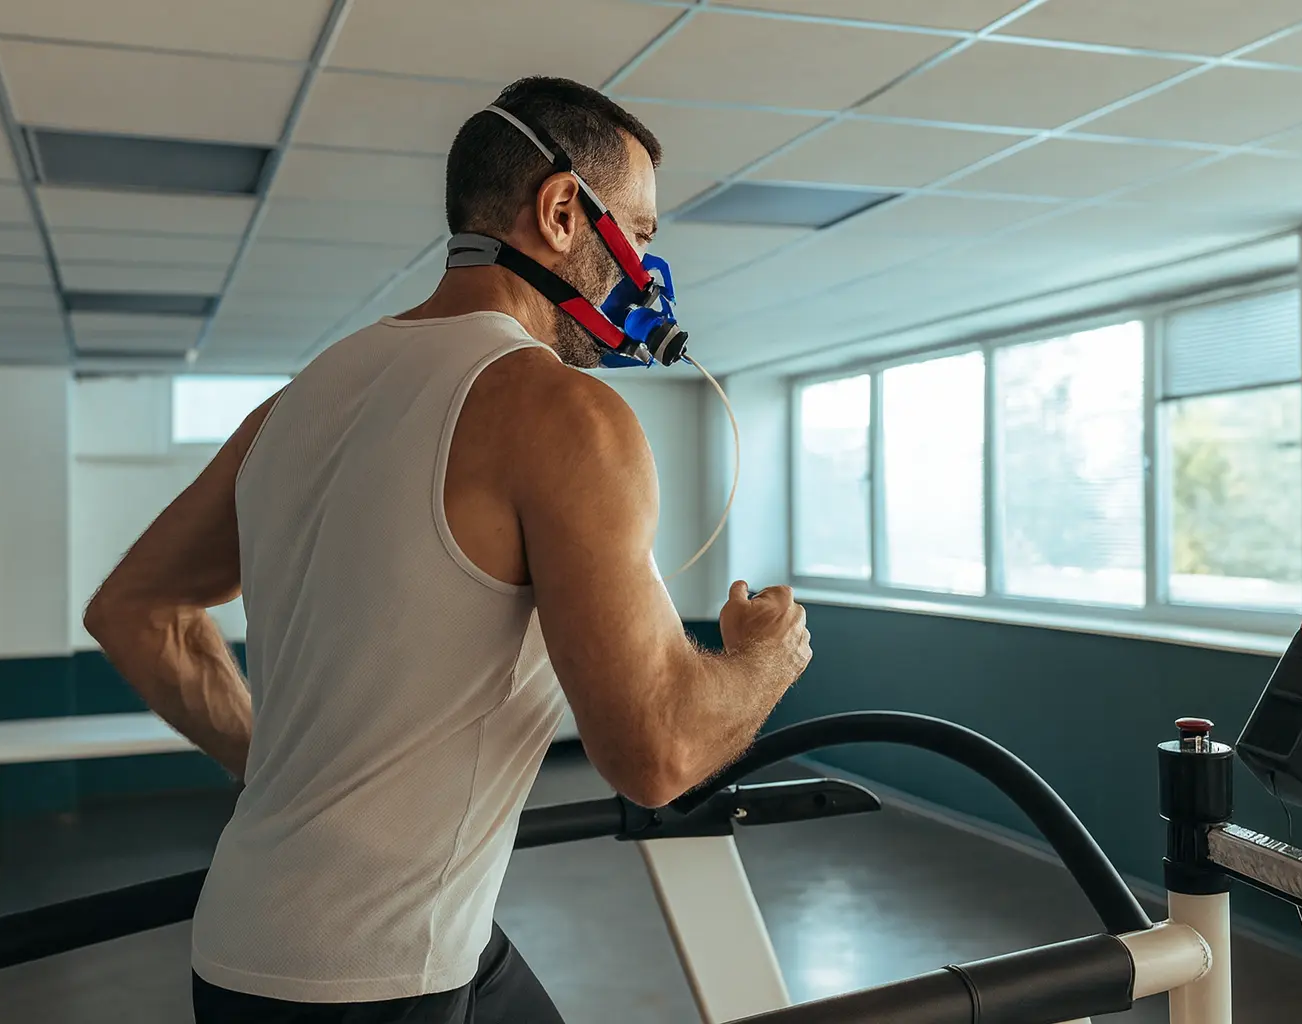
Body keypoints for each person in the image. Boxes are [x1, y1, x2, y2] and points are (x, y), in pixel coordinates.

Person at [83, 76, 812, 1024]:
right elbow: (659, 750)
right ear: (561, 211)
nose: (645, 271)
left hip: (251, 943)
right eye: (638, 232)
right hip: (375, 977)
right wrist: (766, 658)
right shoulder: (565, 413)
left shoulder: (298, 402)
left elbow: (133, 608)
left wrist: (283, 773)